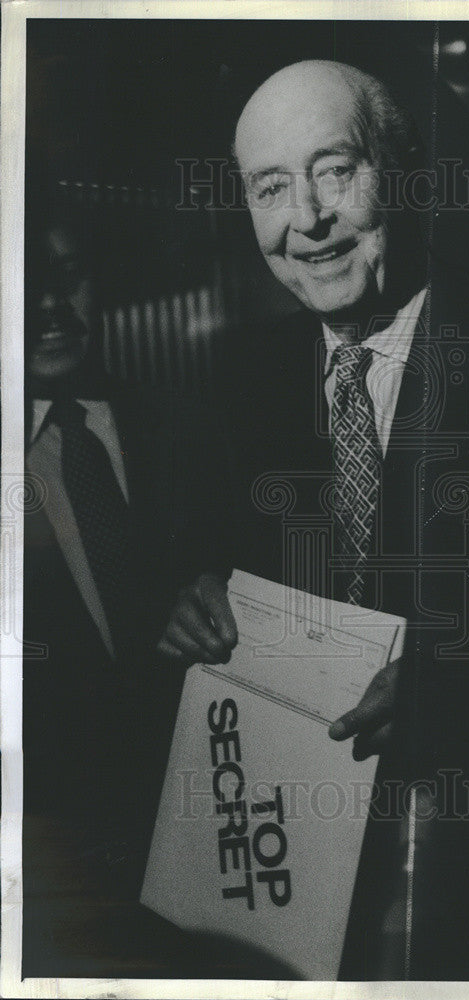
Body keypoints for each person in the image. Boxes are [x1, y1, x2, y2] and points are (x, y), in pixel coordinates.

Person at [158, 60, 469, 981]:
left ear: (398, 170)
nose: (305, 218)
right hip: (292, 884)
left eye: (336, 170)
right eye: (271, 187)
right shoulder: (239, 385)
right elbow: (213, 561)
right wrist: (196, 596)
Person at [22, 191, 234, 976]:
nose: (50, 304)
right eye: (24, 276)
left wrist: (218, 587)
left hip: (208, 843)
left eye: (69, 272)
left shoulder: (185, 425)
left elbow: (245, 573)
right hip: (47, 876)